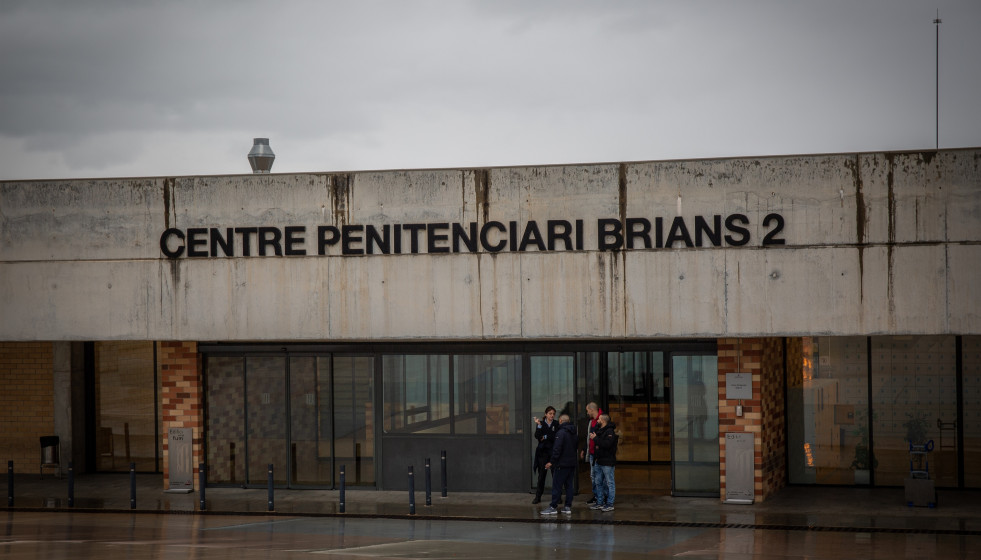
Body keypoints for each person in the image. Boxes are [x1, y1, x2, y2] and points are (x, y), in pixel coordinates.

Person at [541, 414, 577, 516]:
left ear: (560, 421)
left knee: (557, 485)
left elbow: (557, 449)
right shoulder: (574, 432)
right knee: (569, 485)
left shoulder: (560, 433)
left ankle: (553, 506)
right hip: (571, 463)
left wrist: (551, 462)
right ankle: (567, 506)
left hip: (561, 464)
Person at [590, 413, 618, 512]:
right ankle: (600, 502)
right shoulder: (599, 430)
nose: (597, 421)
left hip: (607, 462)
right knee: (598, 482)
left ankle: (610, 503)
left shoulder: (610, 432)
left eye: (599, 419)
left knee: (609, 482)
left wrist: (595, 439)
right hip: (598, 460)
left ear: (603, 421)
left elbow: (607, 445)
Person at [532, 406, 558, 504]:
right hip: (543, 453)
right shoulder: (541, 423)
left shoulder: (556, 424)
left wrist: (545, 436)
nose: (552, 415)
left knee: (555, 475)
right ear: (546, 414)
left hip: (552, 452)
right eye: (550, 413)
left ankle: (557, 497)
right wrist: (539, 425)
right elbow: (537, 436)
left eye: (553, 414)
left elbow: (555, 436)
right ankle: (538, 496)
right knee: (541, 475)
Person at [580, 402, 602, 505]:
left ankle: (601, 497)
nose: (587, 412)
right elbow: (588, 437)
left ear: (592, 410)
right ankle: (596, 495)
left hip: (599, 454)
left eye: (587, 410)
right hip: (592, 453)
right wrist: (585, 449)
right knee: (593, 476)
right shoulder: (591, 421)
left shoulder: (602, 420)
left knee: (600, 477)